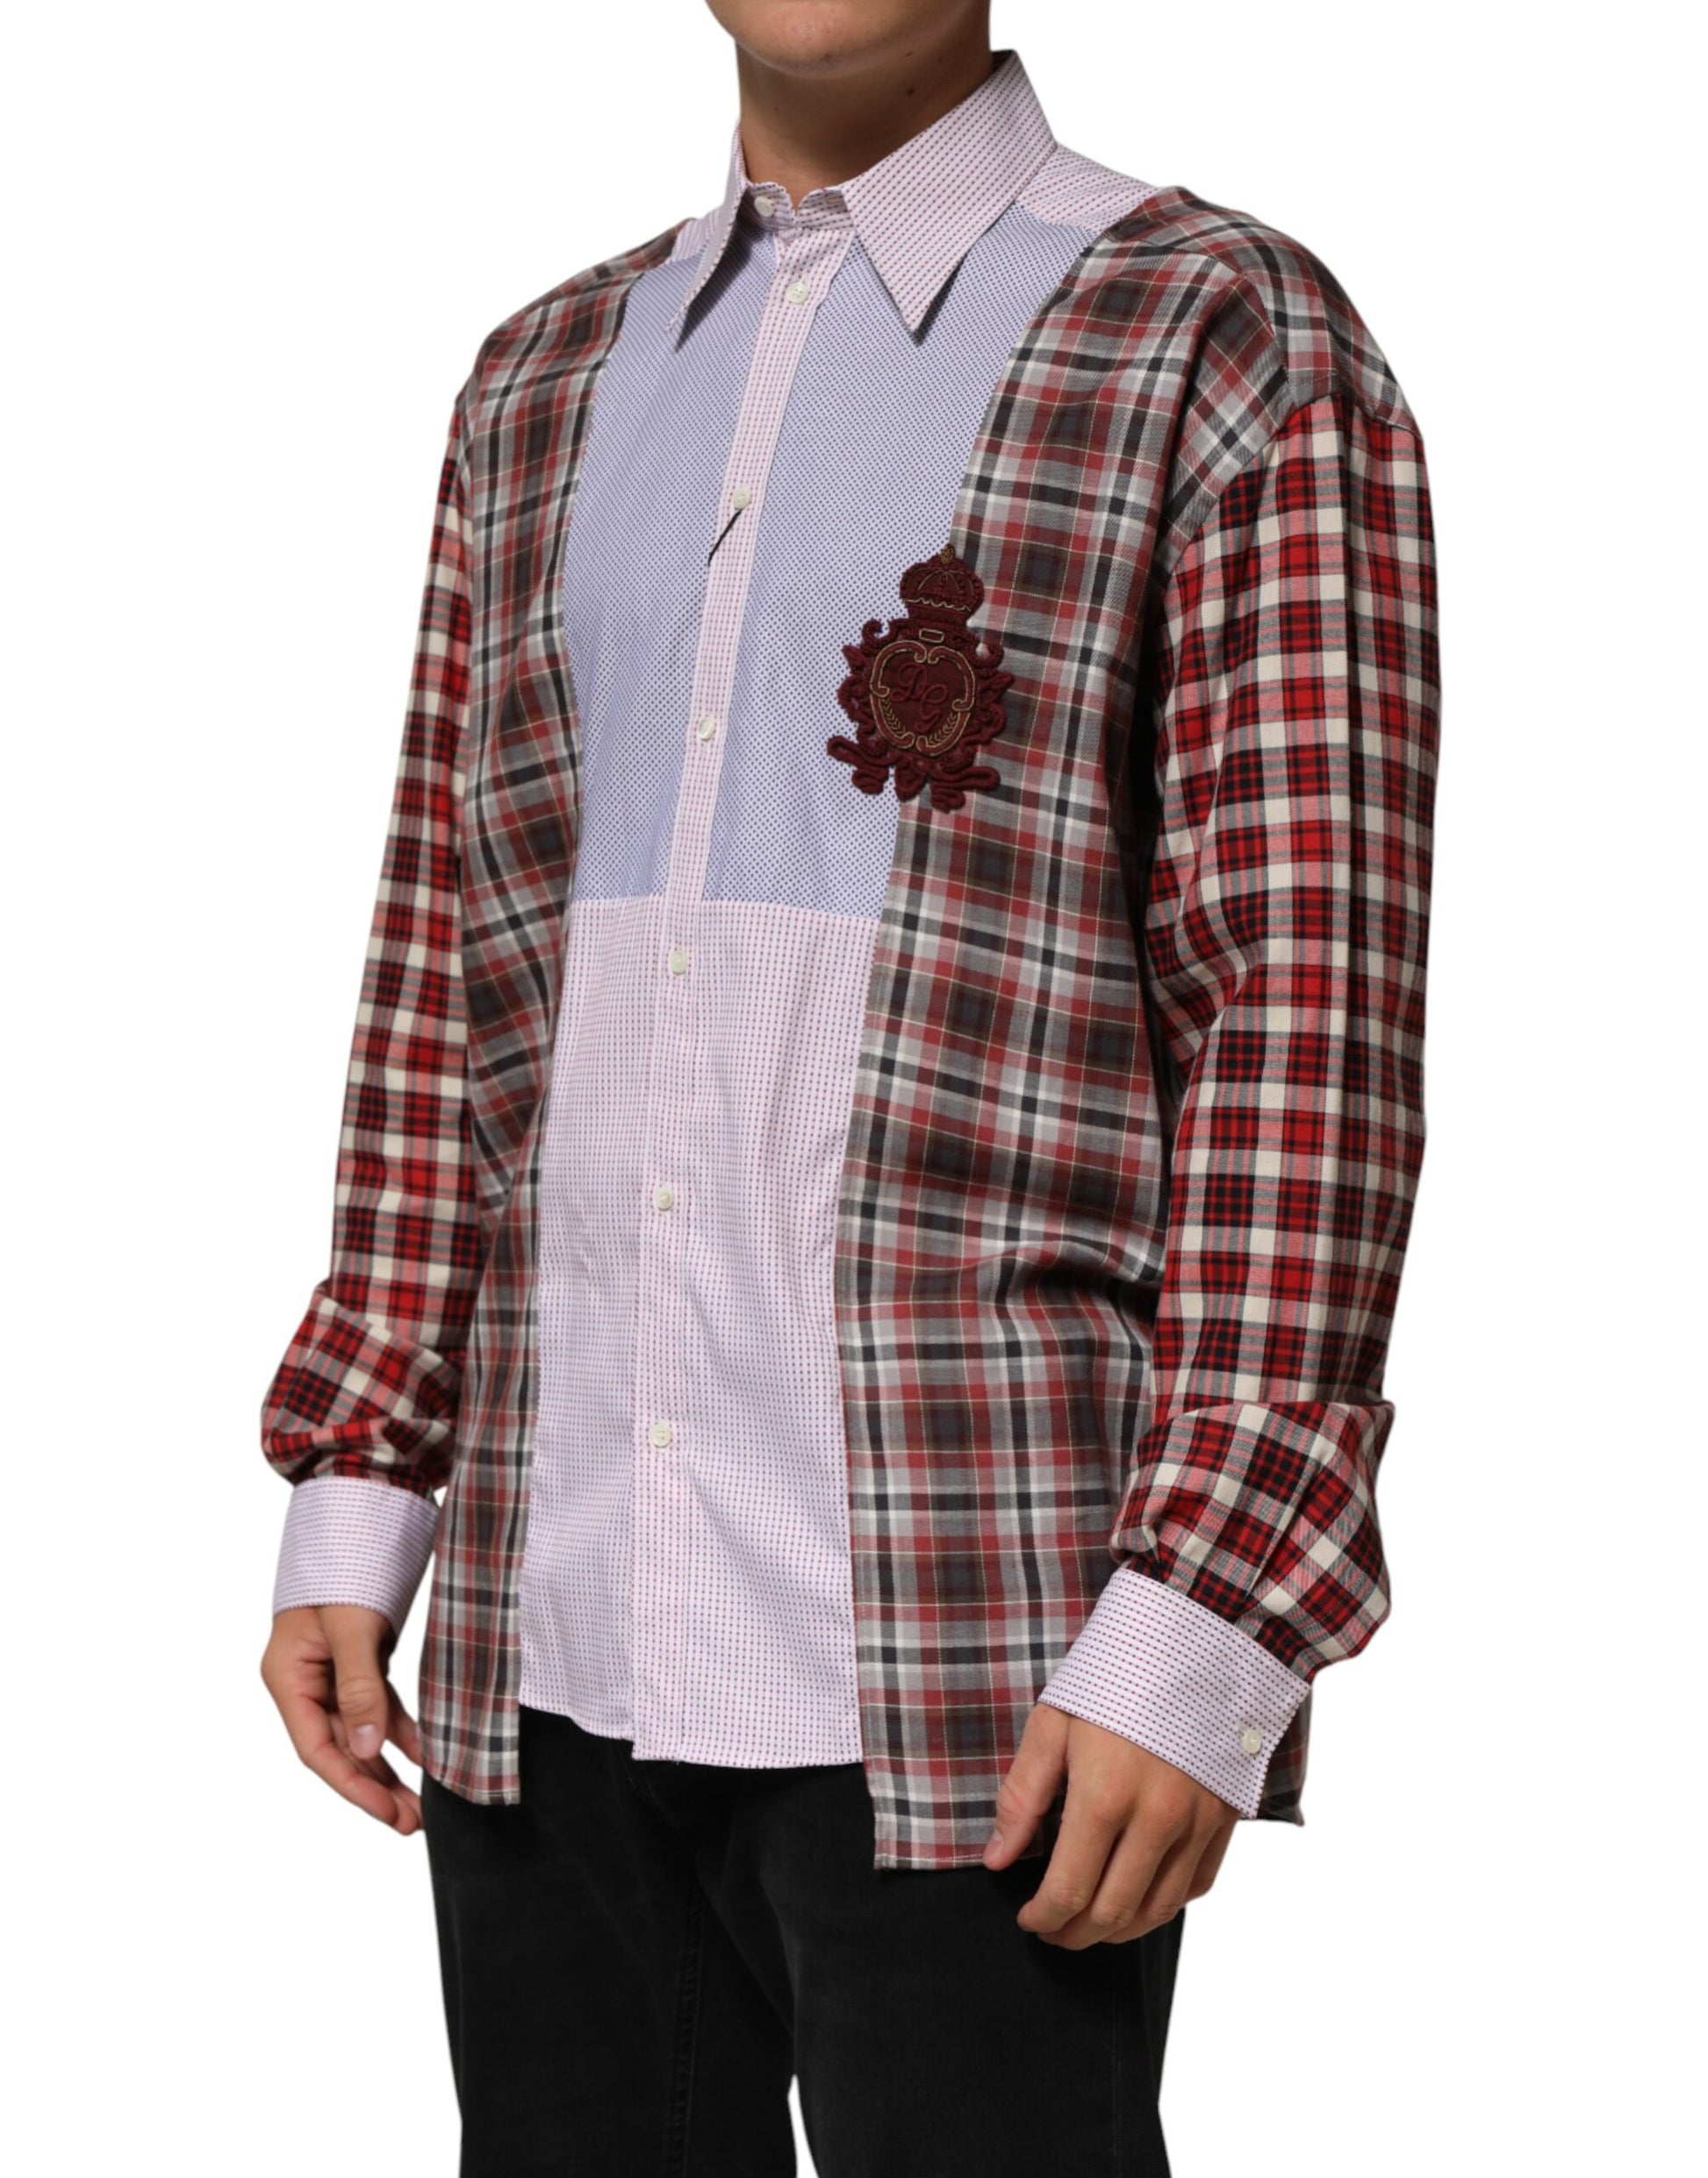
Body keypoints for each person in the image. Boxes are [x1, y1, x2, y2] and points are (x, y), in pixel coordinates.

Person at [258, 4, 1439, 2171]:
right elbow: (452, 955)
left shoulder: (1215, 330)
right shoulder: (540, 378)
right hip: (546, 1612)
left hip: (976, 1646)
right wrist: (367, 1466)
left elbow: (1302, 1019)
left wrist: (1209, 1608)